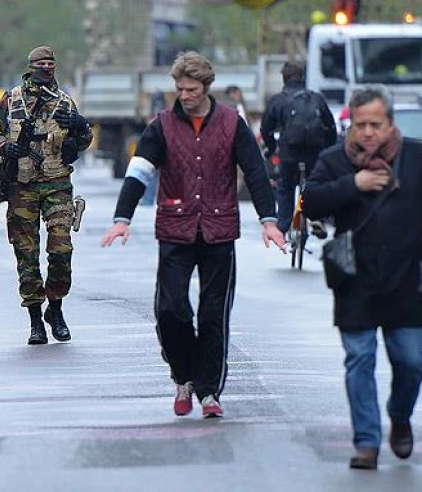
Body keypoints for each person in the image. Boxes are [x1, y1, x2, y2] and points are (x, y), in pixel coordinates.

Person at [101, 51, 285, 419]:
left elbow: (254, 171)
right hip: (175, 228)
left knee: (214, 314)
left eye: (191, 89)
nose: (184, 95)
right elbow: (138, 173)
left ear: (206, 88)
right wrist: (122, 218)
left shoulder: (232, 124)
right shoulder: (162, 126)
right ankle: (182, 375)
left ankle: (209, 392)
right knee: (170, 310)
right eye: (179, 88)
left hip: (218, 232)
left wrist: (269, 220)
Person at [303, 86, 422, 470]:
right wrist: (353, 185)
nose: (367, 132)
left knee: (410, 361)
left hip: (405, 281)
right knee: (359, 358)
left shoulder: (417, 156)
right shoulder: (335, 160)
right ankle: (366, 441)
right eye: (360, 124)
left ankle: (399, 416)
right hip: (354, 283)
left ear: (390, 123)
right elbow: (309, 201)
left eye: (375, 124)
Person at [0, 45, 93, 345]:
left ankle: (55, 308)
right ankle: (35, 319)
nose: (47, 68)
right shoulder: (12, 100)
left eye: (51, 63)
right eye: (41, 63)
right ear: (30, 67)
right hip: (22, 186)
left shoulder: (65, 103)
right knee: (26, 256)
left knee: (61, 251)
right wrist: (7, 148)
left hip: (57, 183)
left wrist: (81, 127)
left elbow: (83, 141)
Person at [259, 61, 336, 237]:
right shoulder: (316, 98)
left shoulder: (278, 100)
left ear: (284, 78)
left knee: (285, 186)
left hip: (289, 153)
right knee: (315, 183)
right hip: (314, 153)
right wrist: (328, 150)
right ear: (303, 77)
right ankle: (316, 218)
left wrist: (271, 148)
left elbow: (266, 129)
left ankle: (284, 224)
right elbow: (330, 127)